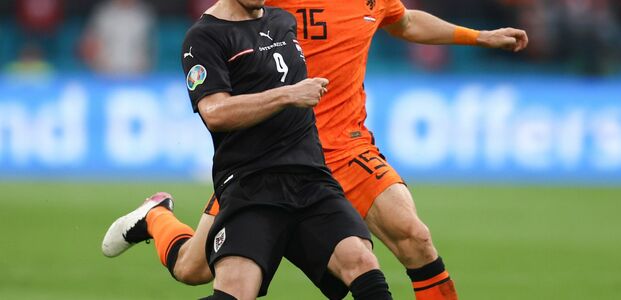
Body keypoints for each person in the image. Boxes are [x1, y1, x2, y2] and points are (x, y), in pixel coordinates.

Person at [103, 0, 528, 298]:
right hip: (267, 154)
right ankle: (156, 217)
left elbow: (405, 22)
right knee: (192, 269)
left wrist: (479, 37)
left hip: (344, 147)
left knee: (414, 236)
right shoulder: (262, 6)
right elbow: (226, 30)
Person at [103, 1, 394, 299]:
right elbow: (215, 112)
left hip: (310, 179)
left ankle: (155, 216)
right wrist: (288, 95)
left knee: (363, 263)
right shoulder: (204, 38)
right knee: (211, 279)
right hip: (252, 186)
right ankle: (156, 217)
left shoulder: (283, 21)